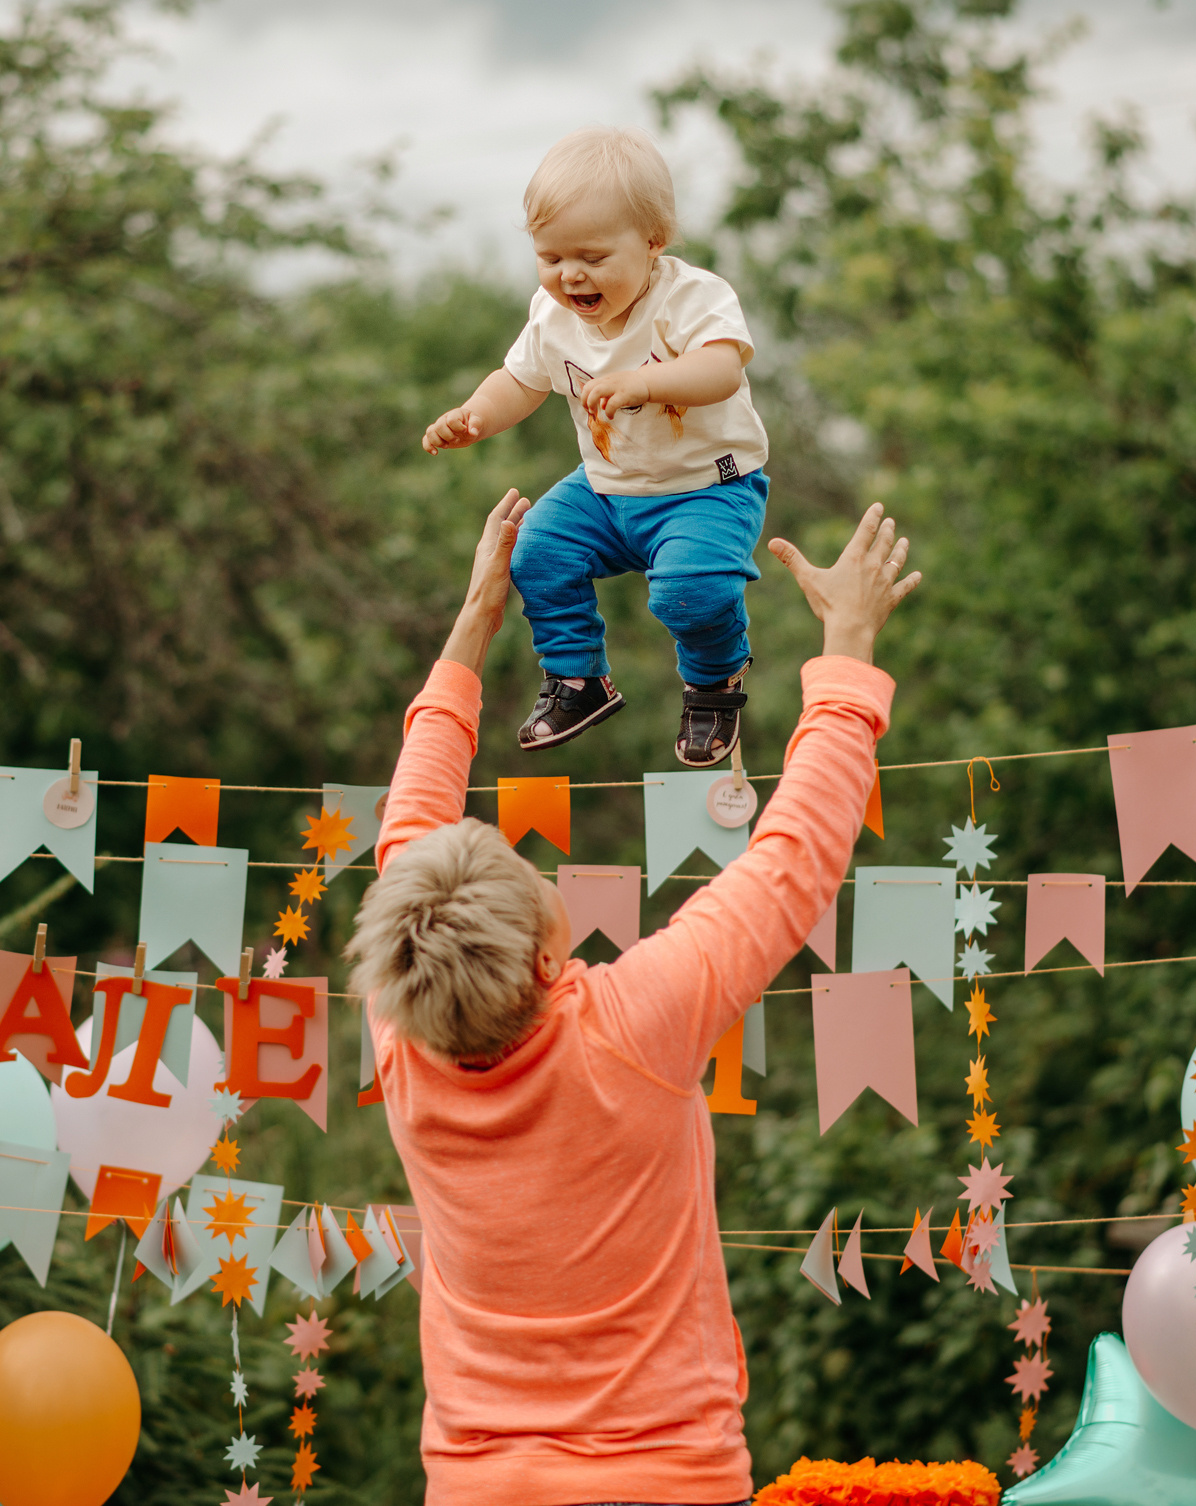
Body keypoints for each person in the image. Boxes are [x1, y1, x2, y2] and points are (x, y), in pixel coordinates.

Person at [347, 488, 917, 1506]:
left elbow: (410, 829)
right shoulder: (631, 1024)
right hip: (667, 1481)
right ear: (544, 961)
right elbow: (790, 863)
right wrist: (846, 650)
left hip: (477, 1488)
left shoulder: (403, 1034)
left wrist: (476, 619)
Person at [421, 125, 774, 769]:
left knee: (690, 590)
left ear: (653, 241)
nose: (570, 275)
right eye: (551, 257)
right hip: (608, 489)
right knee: (537, 549)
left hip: (706, 488)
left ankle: (713, 682)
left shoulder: (689, 297)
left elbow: (722, 369)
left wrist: (645, 382)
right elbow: (519, 380)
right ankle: (577, 678)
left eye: (592, 256)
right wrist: (475, 416)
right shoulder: (552, 314)